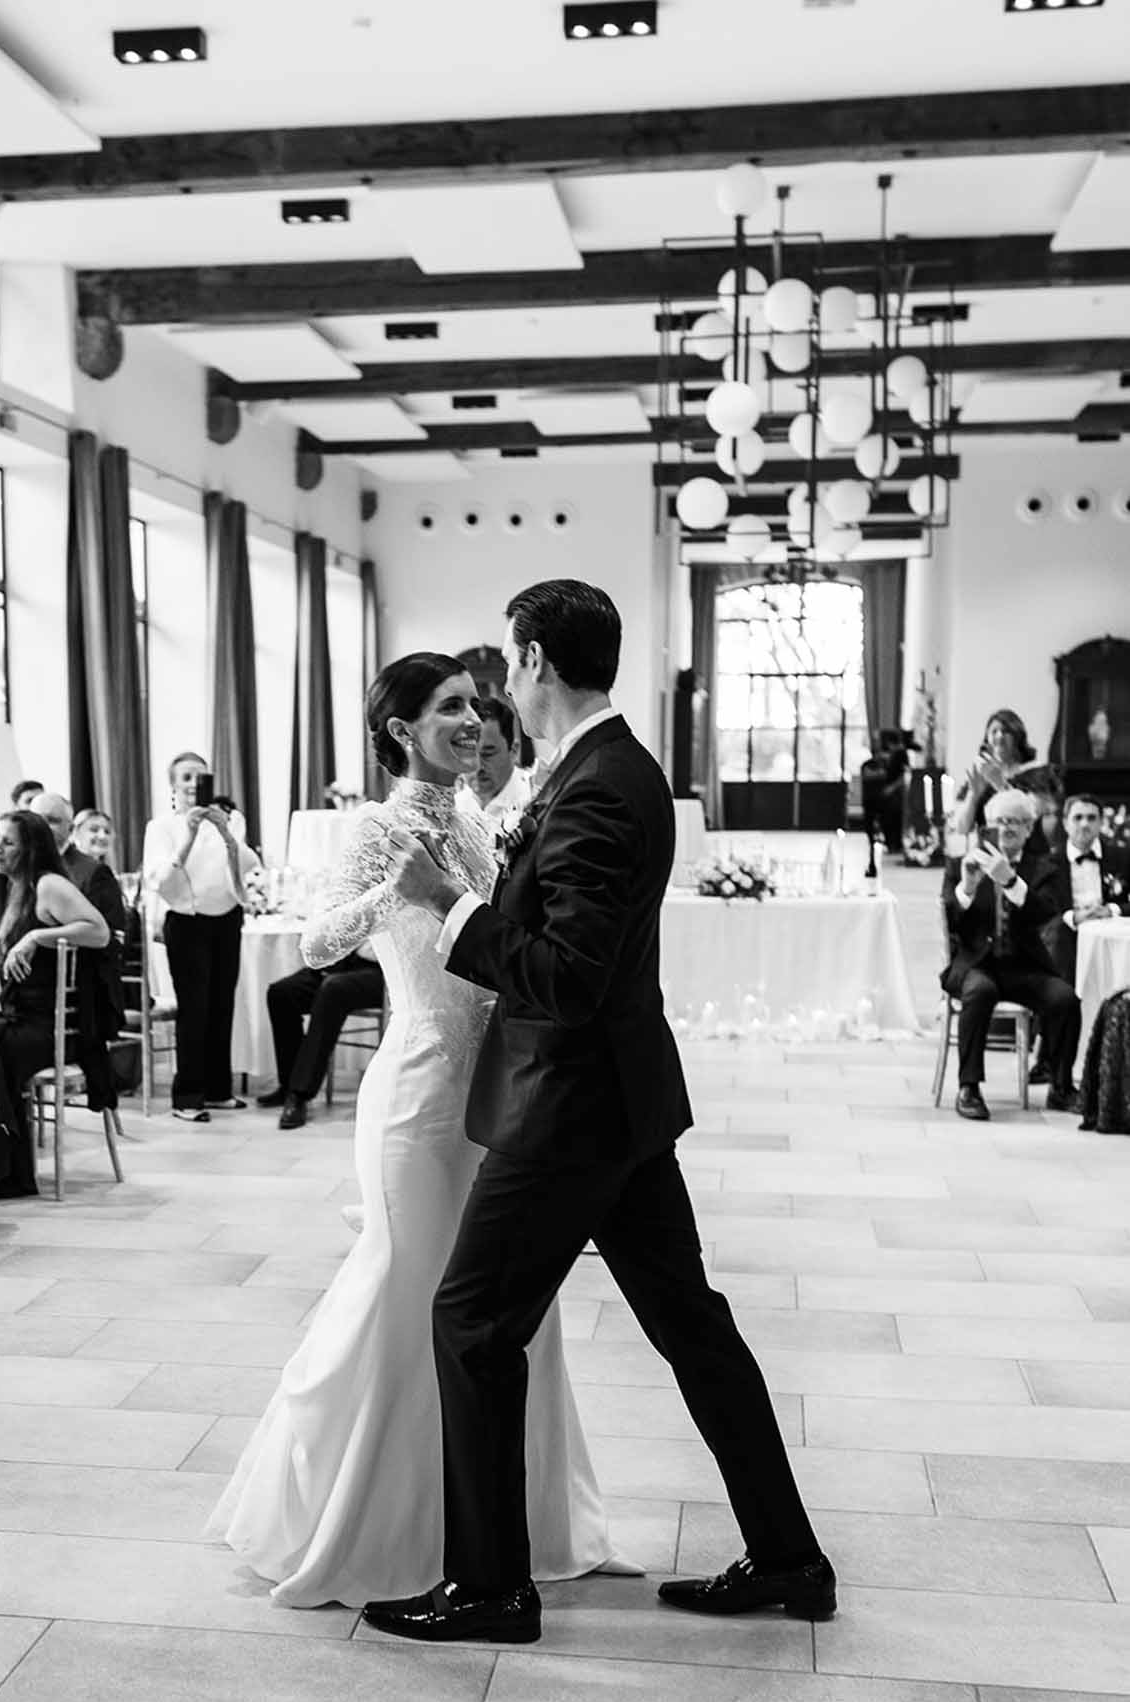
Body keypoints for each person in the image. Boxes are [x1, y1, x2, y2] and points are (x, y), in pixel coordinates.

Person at [362, 581, 832, 1647]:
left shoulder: (599, 788)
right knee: (692, 1327)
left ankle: (489, 1586)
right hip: (614, 1100)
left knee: (471, 1321)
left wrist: (457, 909)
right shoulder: (602, 771)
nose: (500, 691)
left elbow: (565, 975)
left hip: (569, 1102)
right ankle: (791, 1557)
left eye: (507, 668)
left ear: (531, 661)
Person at [208, 652, 629, 1608]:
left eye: (477, 706)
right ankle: (379, 1527)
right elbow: (316, 944)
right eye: (449, 709)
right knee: (412, 1289)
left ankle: (519, 1523)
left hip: (500, 1093)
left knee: (508, 1305)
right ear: (401, 731)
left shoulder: (480, 821)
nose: (474, 722)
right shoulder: (378, 825)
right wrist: (392, 892)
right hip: (420, 1090)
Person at [0, 811, 109, 1196]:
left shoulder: (48, 885)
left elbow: (99, 932)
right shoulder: (5, 889)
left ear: (30, 849)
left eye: (8, 842)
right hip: (17, 1016)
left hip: (51, 1025)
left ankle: (9, 1174)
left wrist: (36, 938)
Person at [941, 787, 1080, 1119]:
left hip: (1026, 968)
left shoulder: (1045, 869)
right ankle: (969, 1088)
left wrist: (1012, 881)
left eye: (1017, 822)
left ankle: (1061, 1088)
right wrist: (968, 888)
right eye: (1000, 821)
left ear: (1029, 829)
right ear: (987, 825)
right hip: (978, 964)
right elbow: (952, 923)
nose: (1007, 828)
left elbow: (1048, 913)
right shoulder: (964, 864)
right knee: (979, 992)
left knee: (1066, 1000)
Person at [141, 752, 259, 1122]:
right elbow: (160, 877)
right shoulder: (161, 826)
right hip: (187, 920)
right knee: (194, 1008)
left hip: (227, 918)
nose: (194, 784)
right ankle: (187, 1097)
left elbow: (248, 864)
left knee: (222, 1004)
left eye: (200, 777)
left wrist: (224, 831)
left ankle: (218, 1089)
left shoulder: (230, 819)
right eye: (186, 777)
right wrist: (190, 834)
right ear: (173, 784)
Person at [29, 792, 128, 1112]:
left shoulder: (91, 872)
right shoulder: (24, 872)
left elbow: (111, 939)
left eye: (53, 820)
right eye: (38, 819)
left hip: (83, 993)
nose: (43, 826)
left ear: (70, 828)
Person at [260, 948, 386, 1130]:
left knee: (333, 989)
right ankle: (288, 1085)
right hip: (343, 963)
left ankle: (300, 1093)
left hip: (380, 971)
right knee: (281, 993)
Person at [1044, 790, 1129, 985]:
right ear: (1065, 823)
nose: (1084, 824)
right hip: (1068, 938)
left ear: (1100, 823)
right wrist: (1073, 917)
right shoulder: (1049, 863)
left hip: (1112, 938)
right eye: (1078, 818)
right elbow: (1043, 909)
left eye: (1091, 818)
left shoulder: (1122, 857)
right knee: (1058, 935)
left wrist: (1112, 910)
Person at [949, 708, 1061, 843]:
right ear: (987, 739)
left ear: (1018, 736)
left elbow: (1034, 812)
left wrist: (1000, 784)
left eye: (1006, 731)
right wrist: (973, 795)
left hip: (1029, 854)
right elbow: (962, 828)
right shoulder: (979, 776)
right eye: (994, 731)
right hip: (988, 853)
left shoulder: (1038, 772)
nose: (999, 736)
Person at [457, 694, 533, 826]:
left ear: (514, 751)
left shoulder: (532, 799)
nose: (477, 766)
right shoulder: (456, 805)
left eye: (488, 754)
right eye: (468, 753)